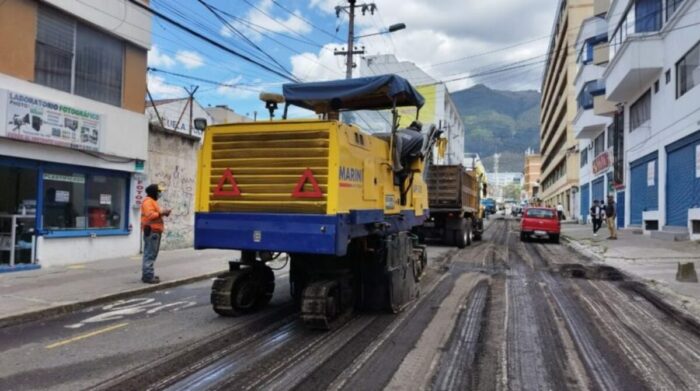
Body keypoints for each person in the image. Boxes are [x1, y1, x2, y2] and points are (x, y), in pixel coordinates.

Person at [140, 184, 171, 283]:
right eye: (159, 192)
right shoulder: (148, 201)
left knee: (151, 253)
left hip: (154, 230)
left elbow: (155, 213)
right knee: (150, 254)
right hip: (152, 231)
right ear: (154, 192)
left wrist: (164, 212)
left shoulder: (152, 202)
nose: (160, 194)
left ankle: (148, 274)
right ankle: (148, 276)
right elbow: (150, 215)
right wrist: (162, 213)